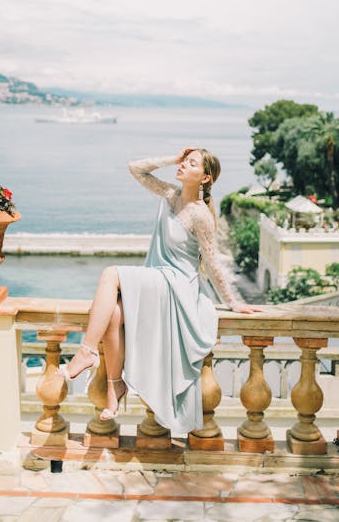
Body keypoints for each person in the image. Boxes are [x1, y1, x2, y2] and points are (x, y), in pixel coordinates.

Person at [59, 148, 262, 434]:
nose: (183, 165)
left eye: (191, 164)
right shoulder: (170, 195)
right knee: (114, 314)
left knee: (110, 274)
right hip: (159, 277)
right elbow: (135, 168)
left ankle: (86, 352)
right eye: (184, 161)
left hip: (177, 285)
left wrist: (233, 302)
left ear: (204, 178)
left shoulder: (200, 215)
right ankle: (115, 387)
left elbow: (212, 263)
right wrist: (171, 158)